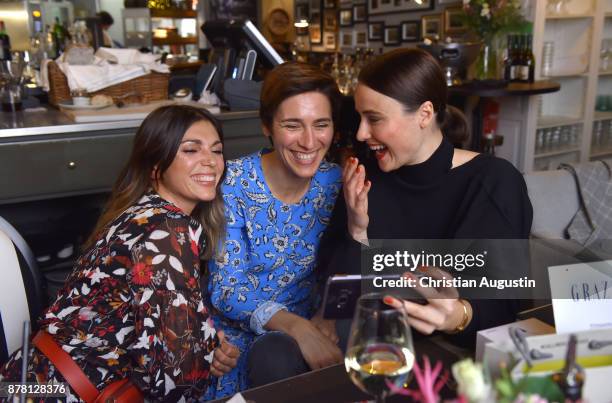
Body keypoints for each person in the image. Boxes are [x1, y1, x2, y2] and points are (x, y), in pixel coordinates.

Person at [0, 105, 239, 401]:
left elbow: (137, 319)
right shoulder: (167, 229)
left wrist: (203, 341)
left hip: (26, 382)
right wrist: (202, 358)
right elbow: (174, 380)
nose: (210, 162)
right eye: (191, 150)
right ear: (155, 166)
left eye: (216, 151)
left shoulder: (139, 214)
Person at [320, 48, 533, 346]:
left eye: (374, 118)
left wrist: (458, 315)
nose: (360, 133)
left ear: (424, 114)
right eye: (359, 118)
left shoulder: (493, 182)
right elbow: (336, 304)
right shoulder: (363, 179)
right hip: (370, 352)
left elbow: (502, 308)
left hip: (456, 360)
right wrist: (358, 230)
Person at [205, 62, 344, 399]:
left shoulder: (339, 181)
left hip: (318, 327)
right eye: (292, 125)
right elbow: (226, 288)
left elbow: (355, 256)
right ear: (267, 126)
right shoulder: (234, 183)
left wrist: (328, 314)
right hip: (236, 339)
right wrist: (296, 327)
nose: (309, 141)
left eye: (321, 124)